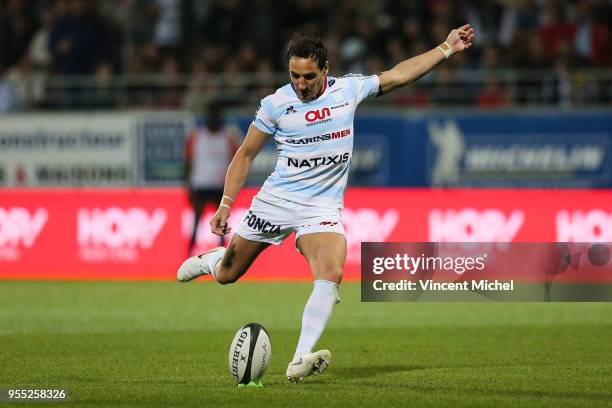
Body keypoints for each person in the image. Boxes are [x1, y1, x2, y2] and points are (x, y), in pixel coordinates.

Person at [178, 24, 475, 383]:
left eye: (308, 76)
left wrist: (445, 47)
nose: (300, 84)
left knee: (331, 271)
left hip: (321, 208)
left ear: (325, 70)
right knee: (228, 274)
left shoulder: (347, 90)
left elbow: (397, 75)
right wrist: (226, 204)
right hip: (278, 200)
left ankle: (300, 358)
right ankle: (211, 261)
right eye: (294, 76)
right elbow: (244, 155)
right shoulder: (275, 104)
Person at [184, 101, 240, 255]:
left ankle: (222, 256)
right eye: (211, 116)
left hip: (220, 187)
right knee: (196, 223)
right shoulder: (196, 136)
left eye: (216, 116)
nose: (213, 119)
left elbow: (236, 163)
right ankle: (188, 254)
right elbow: (188, 162)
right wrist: (188, 186)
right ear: (206, 117)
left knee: (221, 225)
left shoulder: (228, 137)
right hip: (200, 185)